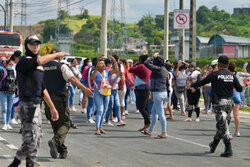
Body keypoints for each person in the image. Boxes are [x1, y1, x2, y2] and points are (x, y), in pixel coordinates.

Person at [8, 35, 66, 167]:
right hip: (27, 105)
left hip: (36, 104)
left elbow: (43, 88)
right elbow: (39, 61)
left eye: (37, 44)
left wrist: (52, 107)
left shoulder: (39, 67)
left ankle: (25, 164)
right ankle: (16, 164)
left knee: (36, 139)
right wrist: (57, 54)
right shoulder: (24, 61)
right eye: (32, 44)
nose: (35, 47)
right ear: (26, 46)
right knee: (32, 140)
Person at [43, 49, 93, 159]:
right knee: (65, 123)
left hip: (47, 100)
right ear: (59, 57)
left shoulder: (42, 68)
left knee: (56, 125)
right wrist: (84, 89)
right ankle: (55, 142)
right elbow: (73, 79)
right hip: (60, 98)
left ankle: (62, 151)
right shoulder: (62, 66)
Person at [190, 56, 242, 157]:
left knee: (222, 126)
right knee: (222, 125)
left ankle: (228, 149)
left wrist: (193, 85)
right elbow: (239, 89)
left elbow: (202, 82)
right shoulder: (232, 75)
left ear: (218, 64)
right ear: (227, 65)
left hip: (220, 103)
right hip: (229, 103)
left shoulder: (215, 74)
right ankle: (213, 145)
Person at [142, 53, 169, 139]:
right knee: (154, 112)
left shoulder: (157, 69)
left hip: (158, 93)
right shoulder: (165, 70)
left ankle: (164, 132)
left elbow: (146, 63)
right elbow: (167, 83)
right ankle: (150, 130)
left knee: (161, 114)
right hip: (163, 92)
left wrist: (152, 56)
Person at [90, 57, 119, 135]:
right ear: (98, 65)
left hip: (106, 92)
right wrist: (96, 69)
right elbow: (92, 78)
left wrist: (115, 61)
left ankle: (100, 127)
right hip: (98, 92)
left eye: (104, 63)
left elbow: (116, 70)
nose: (103, 65)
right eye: (101, 64)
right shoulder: (94, 72)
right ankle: (97, 129)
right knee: (100, 110)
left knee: (104, 110)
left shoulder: (107, 72)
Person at [129, 55, 151, 132]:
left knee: (141, 107)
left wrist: (135, 64)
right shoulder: (148, 66)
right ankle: (146, 125)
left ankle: (148, 123)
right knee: (145, 107)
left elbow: (130, 70)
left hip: (142, 88)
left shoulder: (141, 66)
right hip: (146, 87)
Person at [228, 62, 250, 137]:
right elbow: (248, 75)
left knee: (227, 114)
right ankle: (237, 131)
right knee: (236, 115)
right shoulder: (238, 73)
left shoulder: (226, 74)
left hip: (228, 94)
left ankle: (226, 130)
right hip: (236, 94)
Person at [0, 59, 16, 130]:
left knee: (9, 109)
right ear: (6, 64)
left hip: (12, 93)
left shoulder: (14, 72)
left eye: (12, 65)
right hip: (3, 92)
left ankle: (8, 123)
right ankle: (4, 124)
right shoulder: (2, 71)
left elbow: (16, 81)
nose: (11, 66)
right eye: (10, 64)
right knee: (4, 109)